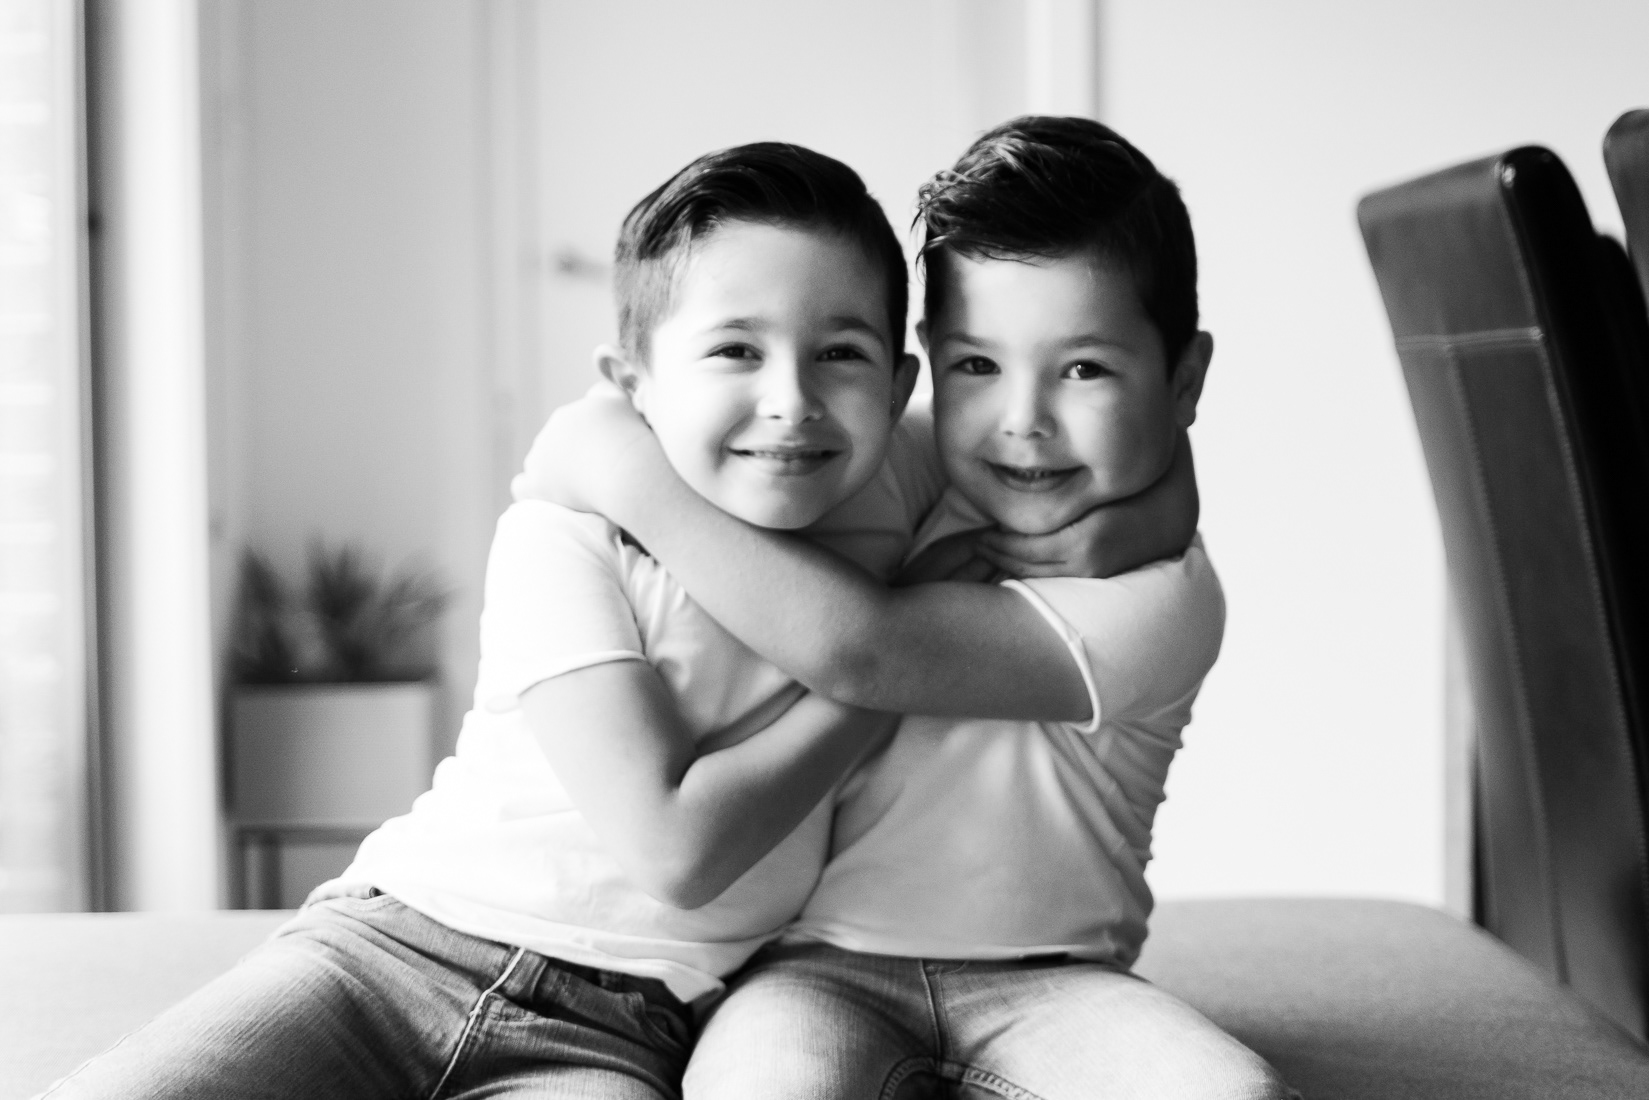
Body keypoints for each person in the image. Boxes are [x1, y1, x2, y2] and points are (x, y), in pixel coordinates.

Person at [44, 143, 938, 1100]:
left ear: (899, 387)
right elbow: (674, 851)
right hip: (393, 953)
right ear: (632, 385)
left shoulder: (910, 502)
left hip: (622, 1032)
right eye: (734, 350)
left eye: (840, 353)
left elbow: (1046, 444)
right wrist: (885, 671)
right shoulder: (568, 535)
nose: (791, 401)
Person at [519, 116, 1297, 1099]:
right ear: (921, 367)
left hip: (1056, 980)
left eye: (1085, 369)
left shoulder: (1161, 603)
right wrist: (606, 449)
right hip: (812, 965)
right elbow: (719, 443)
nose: (1021, 421)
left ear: (1184, 379)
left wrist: (613, 469)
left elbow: (863, 650)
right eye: (977, 365)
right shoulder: (914, 458)